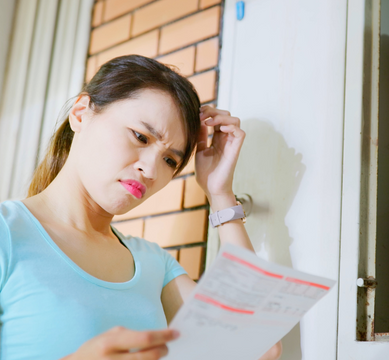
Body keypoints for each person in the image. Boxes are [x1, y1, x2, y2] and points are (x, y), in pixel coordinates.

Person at [0, 55, 282, 360]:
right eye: (140, 136)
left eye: (170, 160)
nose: (151, 169)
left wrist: (221, 193)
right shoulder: (8, 234)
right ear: (81, 113)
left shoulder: (154, 265)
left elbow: (260, 348)